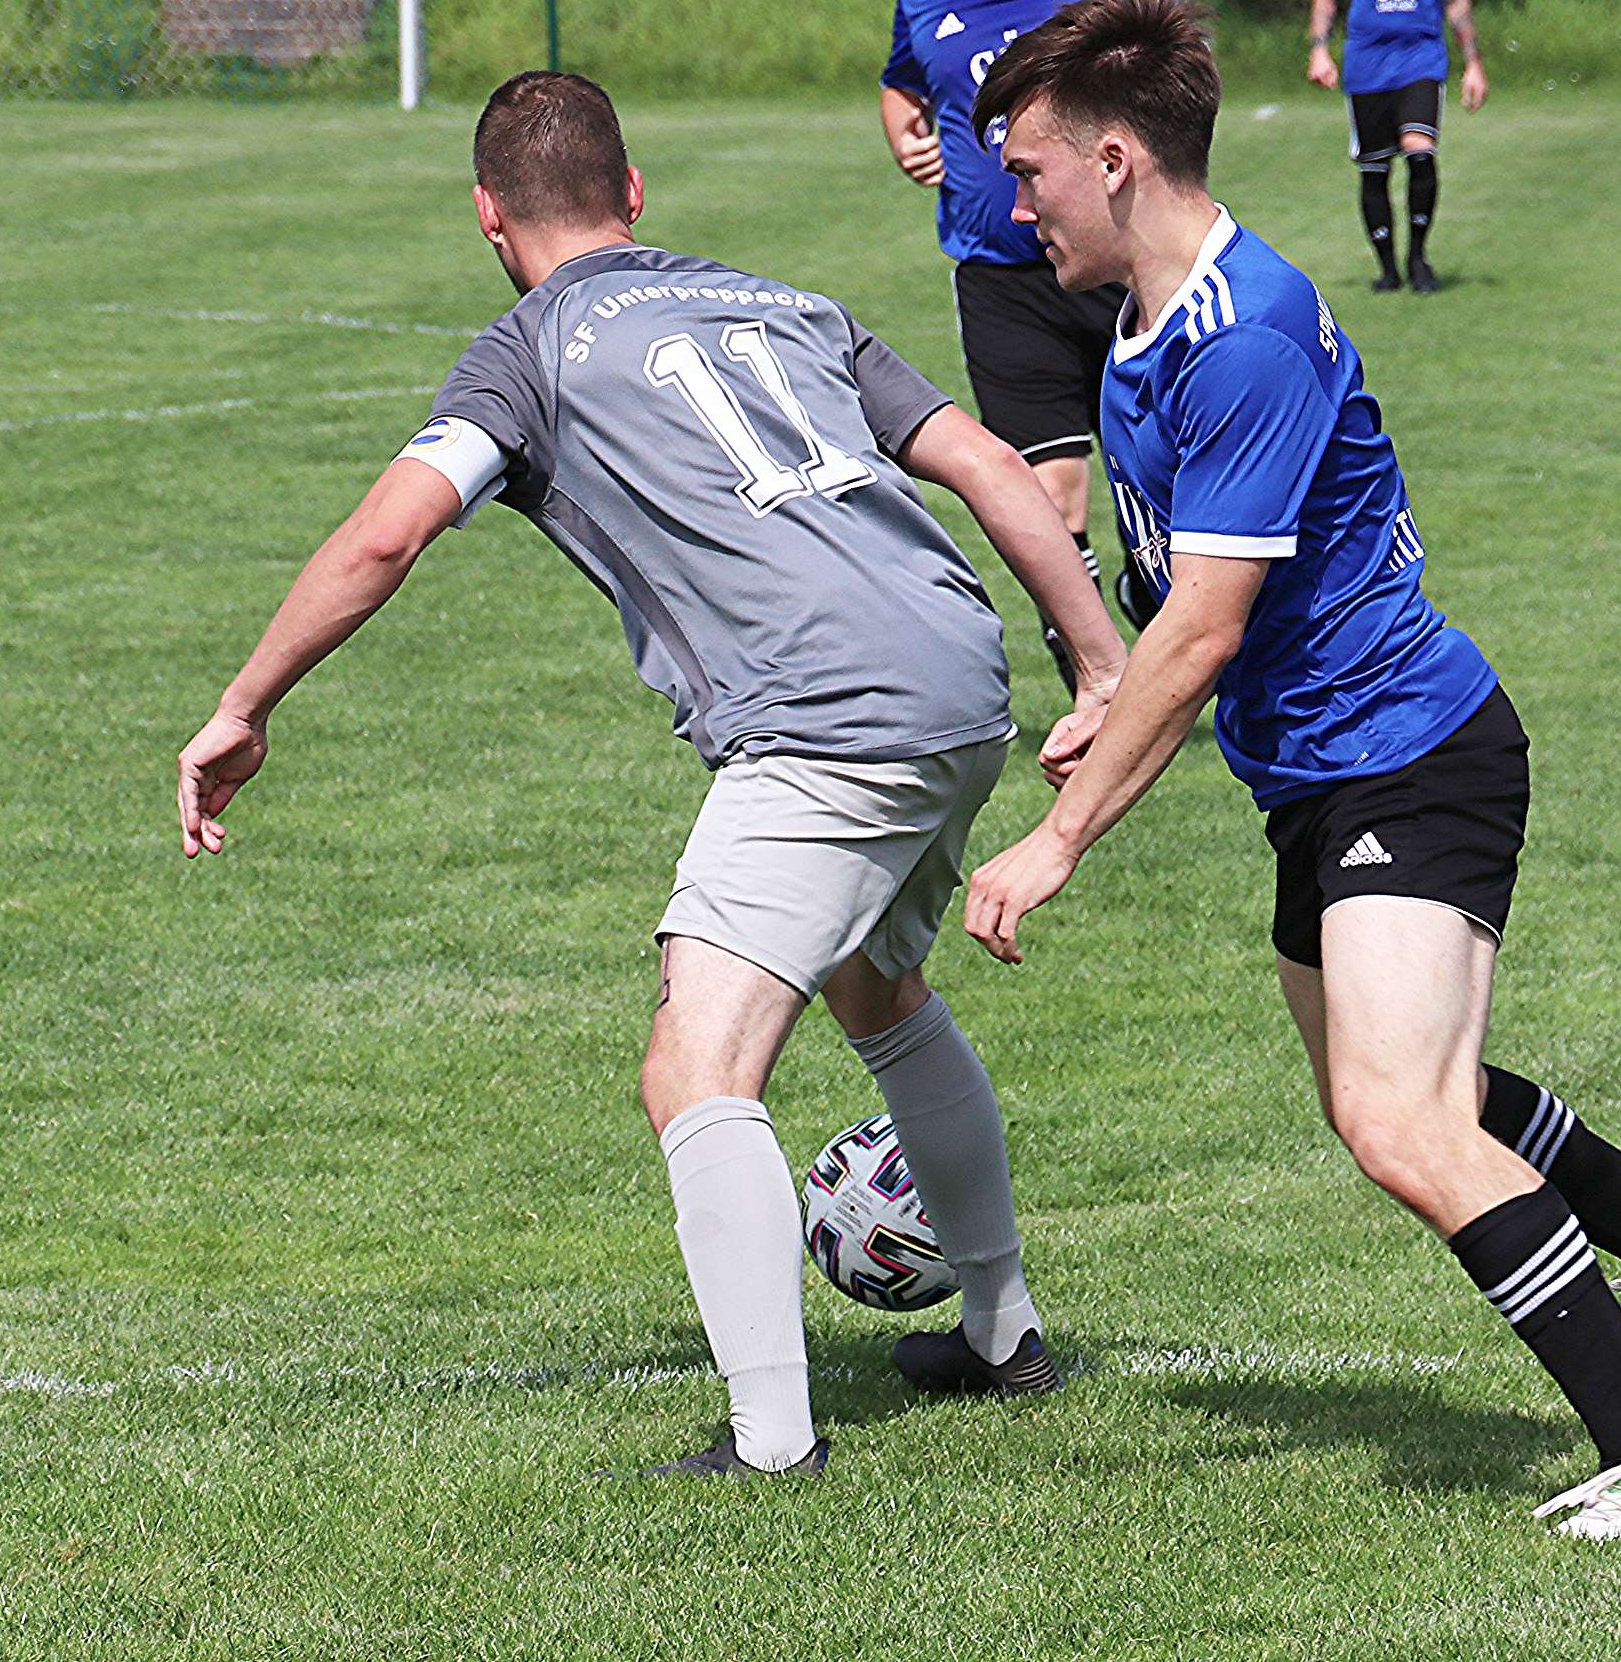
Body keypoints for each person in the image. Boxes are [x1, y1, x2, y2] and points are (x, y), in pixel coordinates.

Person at [176, 71, 1127, 1477]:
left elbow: (386, 535)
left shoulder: (523, 356)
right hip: (957, 680)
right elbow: (989, 463)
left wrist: (245, 704)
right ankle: (1001, 1332)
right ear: (631, 193)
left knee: (695, 1069)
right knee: (875, 988)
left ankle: (771, 1443)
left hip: (822, 719)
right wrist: (1100, 666)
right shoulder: (787, 303)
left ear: (487, 217)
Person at [959, 0, 1621, 1540]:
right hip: (1316, 775)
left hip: (1408, 758)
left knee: (1400, 1121)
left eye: (1028, 172)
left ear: (1114, 160)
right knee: (1420, 1094)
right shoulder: (1142, 331)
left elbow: (1204, 630)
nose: (1014, 206)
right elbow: (1182, 607)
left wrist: (1058, 837)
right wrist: (1108, 696)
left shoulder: (1243, 335)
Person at [880, 0, 1168, 690]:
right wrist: (904, 137)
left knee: (1163, 480)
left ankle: (1156, 593)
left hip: (1120, 269)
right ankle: (1098, 679)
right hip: (1000, 277)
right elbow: (901, 84)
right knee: (1052, 492)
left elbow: (1179, 74)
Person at [1307, 0, 1487, 295]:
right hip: (1366, 63)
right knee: (1375, 167)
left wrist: (1472, 61)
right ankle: (1387, 267)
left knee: (1420, 152)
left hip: (1421, 58)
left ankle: (1419, 257)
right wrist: (1320, 50)